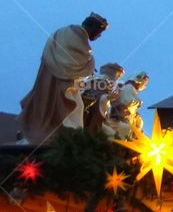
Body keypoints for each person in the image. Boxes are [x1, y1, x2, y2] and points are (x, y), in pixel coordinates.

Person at [18, 12, 108, 144]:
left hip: (49, 77)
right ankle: (65, 140)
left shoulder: (63, 31)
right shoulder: (78, 36)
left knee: (49, 106)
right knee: (73, 109)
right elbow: (77, 61)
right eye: (99, 32)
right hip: (63, 83)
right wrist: (90, 63)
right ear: (92, 27)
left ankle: (54, 134)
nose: (99, 36)